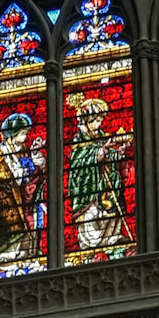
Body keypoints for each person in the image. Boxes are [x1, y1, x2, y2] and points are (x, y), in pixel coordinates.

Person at [66, 92, 132, 256]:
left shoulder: (101, 135)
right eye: (96, 121)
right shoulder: (79, 138)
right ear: (87, 121)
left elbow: (109, 156)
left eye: (100, 120)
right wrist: (101, 150)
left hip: (105, 180)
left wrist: (119, 152)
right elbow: (78, 162)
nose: (99, 123)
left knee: (111, 209)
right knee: (93, 214)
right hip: (87, 184)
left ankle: (111, 237)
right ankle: (92, 243)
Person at [0, 109, 45, 267]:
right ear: (13, 134)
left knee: (31, 222)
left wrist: (34, 158)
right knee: (13, 229)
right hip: (7, 203)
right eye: (22, 133)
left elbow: (32, 168)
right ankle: (10, 259)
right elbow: (2, 178)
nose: (25, 136)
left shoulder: (23, 149)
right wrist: (18, 174)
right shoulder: (1, 154)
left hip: (24, 198)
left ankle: (28, 254)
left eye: (25, 132)